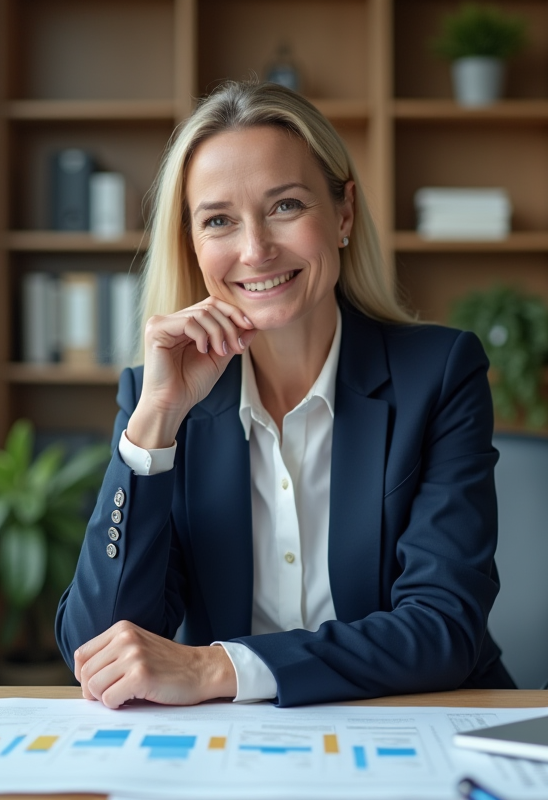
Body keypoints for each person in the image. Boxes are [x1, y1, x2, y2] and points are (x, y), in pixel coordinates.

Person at [55, 81, 513, 708]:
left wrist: (220, 669)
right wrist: (156, 424)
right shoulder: (158, 397)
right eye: (219, 220)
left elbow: (443, 627)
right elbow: (100, 650)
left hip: (424, 724)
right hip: (238, 749)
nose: (255, 249)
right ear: (192, 244)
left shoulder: (437, 374)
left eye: (286, 206)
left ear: (343, 213)